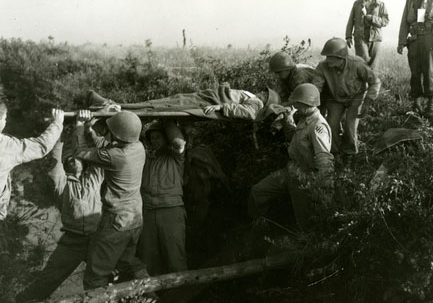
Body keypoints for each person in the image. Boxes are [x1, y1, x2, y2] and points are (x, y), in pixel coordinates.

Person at [16, 110, 104, 302]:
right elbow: (55, 163)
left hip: (97, 239)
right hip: (72, 242)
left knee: (106, 278)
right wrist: (61, 130)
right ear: (66, 166)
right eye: (69, 160)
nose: (73, 160)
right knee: (47, 280)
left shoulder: (94, 178)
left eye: (77, 158)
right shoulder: (62, 185)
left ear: (84, 162)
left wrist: (86, 128)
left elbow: (100, 156)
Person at [75, 111, 150, 290]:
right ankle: (147, 295)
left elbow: (80, 151)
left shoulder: (116, 156)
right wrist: (89, 130)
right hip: (135, 219)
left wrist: (79, 125)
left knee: (95, 275)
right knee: (126, 265)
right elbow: (105, 146)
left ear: (117, 135)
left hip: (116, 222)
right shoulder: (139, 147)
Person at [248, 83, 334, 229]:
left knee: (304, 222)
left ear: (307, 104)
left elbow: (324, 158)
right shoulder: (304, 118)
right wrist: (288, 119)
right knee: (258, 192)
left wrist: (325, 189)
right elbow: (293, 139)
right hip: (291, 171)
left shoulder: (318, 126)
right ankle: (258, 227)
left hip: (305, 178)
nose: (295, 106)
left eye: (298, 104)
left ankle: (305, 244)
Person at [313, 38, 381, 155]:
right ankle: (334, 152)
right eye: (326, 57)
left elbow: (375, 82)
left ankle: (350, 153)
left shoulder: (357, 64)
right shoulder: (322, 67)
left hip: (356, 97)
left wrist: (368, 101)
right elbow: (316, 87)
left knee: (350, 124)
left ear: (341, 58)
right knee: (331, 124)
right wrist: (311, 102)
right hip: (335, 99)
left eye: (330, 57)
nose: (327, 60)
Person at [138, 119, 187, 276]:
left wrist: (164, 118)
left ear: (166, 138)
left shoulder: (175, 157)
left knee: (175, 258)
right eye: (152, 138)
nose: (154, 141)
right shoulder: (145, 158)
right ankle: (153, 298)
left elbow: (179, 143)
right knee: (149, 260)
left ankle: (180, 296)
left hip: (171, 210)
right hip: (148, 212)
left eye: (158, 137)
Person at [0, 103, 64, 220]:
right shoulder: (6, 146)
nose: (5, 122)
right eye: (4, 118)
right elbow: (41, 146)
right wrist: (57, 123)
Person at [88, 85, 281, 121]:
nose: (261, 92)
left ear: (266, 100)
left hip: (210, 101)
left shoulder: (256, 105)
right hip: (208, 96)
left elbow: (246, 113)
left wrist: (221, 107)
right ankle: (113, 105)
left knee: (163, 105)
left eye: (265, 93)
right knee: (168, 101)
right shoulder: (254, 99)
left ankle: (113, 106)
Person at [397, 0, 433, 114]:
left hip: (430, 39)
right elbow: (404, 22)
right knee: (415, 72)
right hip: (414, 40)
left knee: (430, 72)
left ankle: (431, 102)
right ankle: (416, 102)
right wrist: (401, 42)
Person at [345, 0, 389, 72]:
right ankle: (362, 86)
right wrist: (348, 36)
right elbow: (351, 21)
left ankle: (372, 86)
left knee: (373, 66)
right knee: (362, 64)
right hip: (360, 37)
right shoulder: (357, 4)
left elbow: (386, 21)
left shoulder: (380, 5)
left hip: (375, 39)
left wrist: (372, 18)